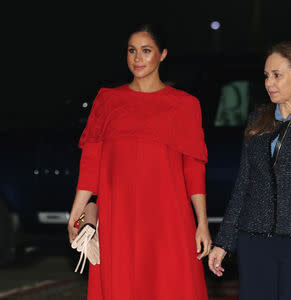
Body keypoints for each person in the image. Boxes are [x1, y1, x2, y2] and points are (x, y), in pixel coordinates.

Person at [67, 24, 211, 300]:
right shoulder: (108, 100)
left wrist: (201, 222)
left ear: (163, 54)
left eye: (146, 51)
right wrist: (76, 211)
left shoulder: (184, 104)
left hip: (168, 216)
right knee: (122, 285)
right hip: (118, 215)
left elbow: (193, 167)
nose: (138, 58)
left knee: (170, 285)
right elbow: (91, 162)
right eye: (132, 51)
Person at [208, 41, 291, 300]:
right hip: (254, 240)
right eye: (267, 76)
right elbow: (243, 185)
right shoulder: (258, 120)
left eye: (277, 75)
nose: (269, 82)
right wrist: (223, 241)